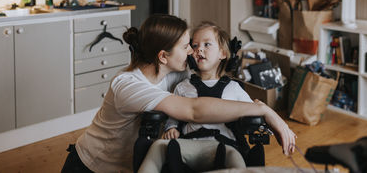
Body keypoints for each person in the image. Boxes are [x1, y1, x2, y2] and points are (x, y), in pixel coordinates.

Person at [61, 14, 296, 173]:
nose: (193, 52)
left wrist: (258, 107)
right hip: (92, 167)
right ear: (163, 56)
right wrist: (264, 109)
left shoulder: (176, 75)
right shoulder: (127, 85)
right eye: (187, 47)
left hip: (130, 165)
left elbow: (212, 91)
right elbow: (194, 110)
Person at [164, 21, 254, 141]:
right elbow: (173, 116)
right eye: (195, 46)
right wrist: (172, 128)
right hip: (190, 145)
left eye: (207, 44)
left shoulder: (234, 88)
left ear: (222, 53)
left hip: (225, 146)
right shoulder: (183, 87)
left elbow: (252, 112)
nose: (199, 49)